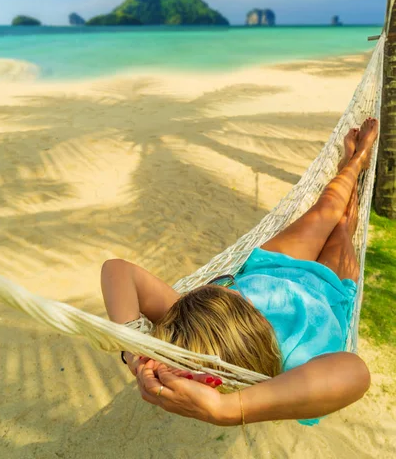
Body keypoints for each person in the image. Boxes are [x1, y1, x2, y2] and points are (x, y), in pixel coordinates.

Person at [101, 118, 378, 427]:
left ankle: (353, 162)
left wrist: (134, 350)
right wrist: (229, 410)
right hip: (328, 290)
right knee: (342, 226)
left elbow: (118, 271)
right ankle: (356, 162)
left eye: (226, 287)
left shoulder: (193, 325)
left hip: (275, 264)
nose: (229, 287)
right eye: (230, 294)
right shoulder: (296, 369)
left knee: (327, 205)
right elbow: (356, 372)